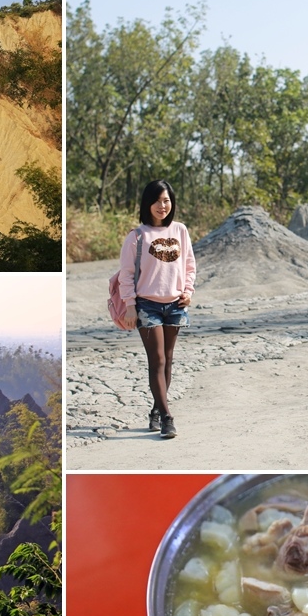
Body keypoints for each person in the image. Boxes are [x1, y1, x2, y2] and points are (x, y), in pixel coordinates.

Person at [117, 180, 196, 439]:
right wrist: (130, 307)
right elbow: (126, 275)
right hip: (147, 305)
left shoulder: (181, 230)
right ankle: (167, 418)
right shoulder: (137, 236)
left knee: (168, 360)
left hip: (175, 305)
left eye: (167, 200)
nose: (162, 206)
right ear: (147, 203)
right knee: (158, 360)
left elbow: (188, 265)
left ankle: (157, 410)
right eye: (157, 201)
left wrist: (188, 291)